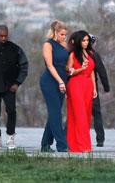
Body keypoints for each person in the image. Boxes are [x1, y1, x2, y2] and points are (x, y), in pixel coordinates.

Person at [40, 20, 69, 152]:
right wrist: (60, 81)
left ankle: (45, 144)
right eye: (62, 34)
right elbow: (50, 66)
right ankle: (62, 145)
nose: (64, 37)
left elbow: (66, 64)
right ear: (55, 33)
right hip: (50, 82)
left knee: (54, 113)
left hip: (62, 81)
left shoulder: (63, 45)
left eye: (65, 35)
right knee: (56, 113)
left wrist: (71, 71)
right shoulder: (48, 45)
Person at [66, 30, 97, 152]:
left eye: (87, 40)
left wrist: (94, 88)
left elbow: (92, 72)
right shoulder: (73, 55)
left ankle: (79, 145)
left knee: (86, 115)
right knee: (79, 115)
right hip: (75, 85)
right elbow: (69, 71)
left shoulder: (89, 53)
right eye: (83, 40)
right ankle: (82, 145)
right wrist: (80, 69)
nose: (86, 42)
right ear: (78, 41)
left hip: (87, 86)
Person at [87, 35, 110, 147]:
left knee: (76, 112)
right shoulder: (94, 55)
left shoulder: (76, 54)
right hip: (92, 87)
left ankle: (65, 134)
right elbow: (102, 72)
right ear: (94, 43)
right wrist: (106, 87)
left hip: (79, 85)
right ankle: (100, 139)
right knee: (96, 113)